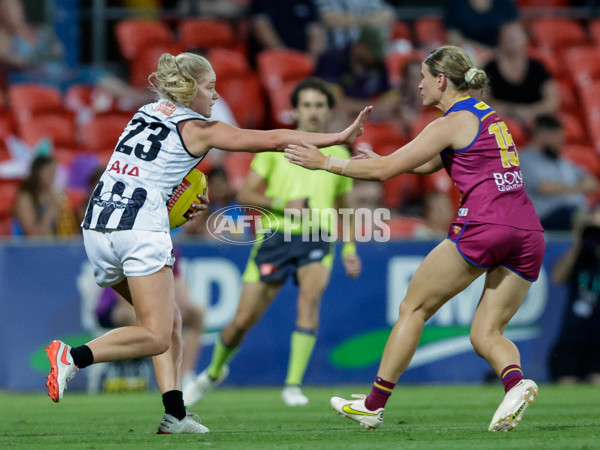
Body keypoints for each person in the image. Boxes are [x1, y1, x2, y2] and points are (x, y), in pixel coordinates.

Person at [44, 51, 371, 434]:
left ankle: (175, 414)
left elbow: (143, 176)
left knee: (174, 319)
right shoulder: (199, 129)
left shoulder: (143, 115)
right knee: (155, 334)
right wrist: (337, 137)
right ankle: (73, 356)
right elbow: (271, 139)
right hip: (138, 232)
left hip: (98, 227)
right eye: (210, 87)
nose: (216, 96)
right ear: (189, 88)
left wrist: (177, 202)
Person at [285, 45, 545, 432]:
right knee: (486, 333)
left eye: (423, 79)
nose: (418, 86)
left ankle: (373, 405)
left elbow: (389, 170)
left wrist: (326, 162)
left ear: (441, 80)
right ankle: (516, 382)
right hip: (527, 231)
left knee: (414, 308)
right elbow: (425, 162)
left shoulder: (449, 122)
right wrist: (373, 159)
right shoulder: (489, 117)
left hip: (485, 226)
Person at [183, 77, 362, 407]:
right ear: (294, 111)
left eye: (319, 105)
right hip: (275, 237)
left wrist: (350, 250)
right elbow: (246, 194)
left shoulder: (337, 154)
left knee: (309, 302)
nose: (313, 111)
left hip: (317, 237)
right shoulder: (273, 151)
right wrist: (283, 203)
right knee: (241, 322)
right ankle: (212, 373)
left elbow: (346, 210)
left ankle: (292, 385)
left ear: (327, 112)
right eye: (307, 105)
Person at [548, 203, 600, 385]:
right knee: (566, 384)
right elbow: (557, 277)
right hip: (572, 337)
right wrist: (578, 244)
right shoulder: (581, 252)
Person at [519, 115, 598, 231]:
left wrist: (565, 188)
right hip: (546, 216)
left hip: (576, 211)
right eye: (556, 136)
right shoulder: (524, 159)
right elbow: (546, 188)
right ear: (541, 135)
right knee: (582, 218)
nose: (561, 141)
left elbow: (592, 183)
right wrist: (579, 188)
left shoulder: (562, 161)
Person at [315, 26, 397, 128]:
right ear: (359, 46)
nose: (374, 58)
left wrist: (379, 107)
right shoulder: (332, 60)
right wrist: (373, 107)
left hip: (369, 117)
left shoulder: (377, 64)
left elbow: (392, 99)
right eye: (372, 53)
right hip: (337, 118)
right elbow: (335, 103)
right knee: (336, 119)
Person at [483, 22, 558, 125]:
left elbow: (552, 101)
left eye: (514, 37)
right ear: (499, 41)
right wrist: (511, 111)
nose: (511, 41)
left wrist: (530, 111)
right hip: (500, 122)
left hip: (535, 121)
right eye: (506, 37)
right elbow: (483, 101)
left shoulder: (538, 67)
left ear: (525, 38)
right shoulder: (490, 69)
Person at [12, 154, 79, 237]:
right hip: (33, 247)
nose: (53, 176)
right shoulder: (25, 197)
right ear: (38, 172)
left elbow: (67, 230)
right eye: (49, 171)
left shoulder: (55, 194)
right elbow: (33, 234)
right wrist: (52, 209)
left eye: (54, 172)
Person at [446, 0, 519, 66]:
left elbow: (513, 30)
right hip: (472, 51)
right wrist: (488, 53)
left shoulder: (504, 2)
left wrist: (502, 52)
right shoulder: (457, 3)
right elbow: (455, 38)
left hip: (502, 51)